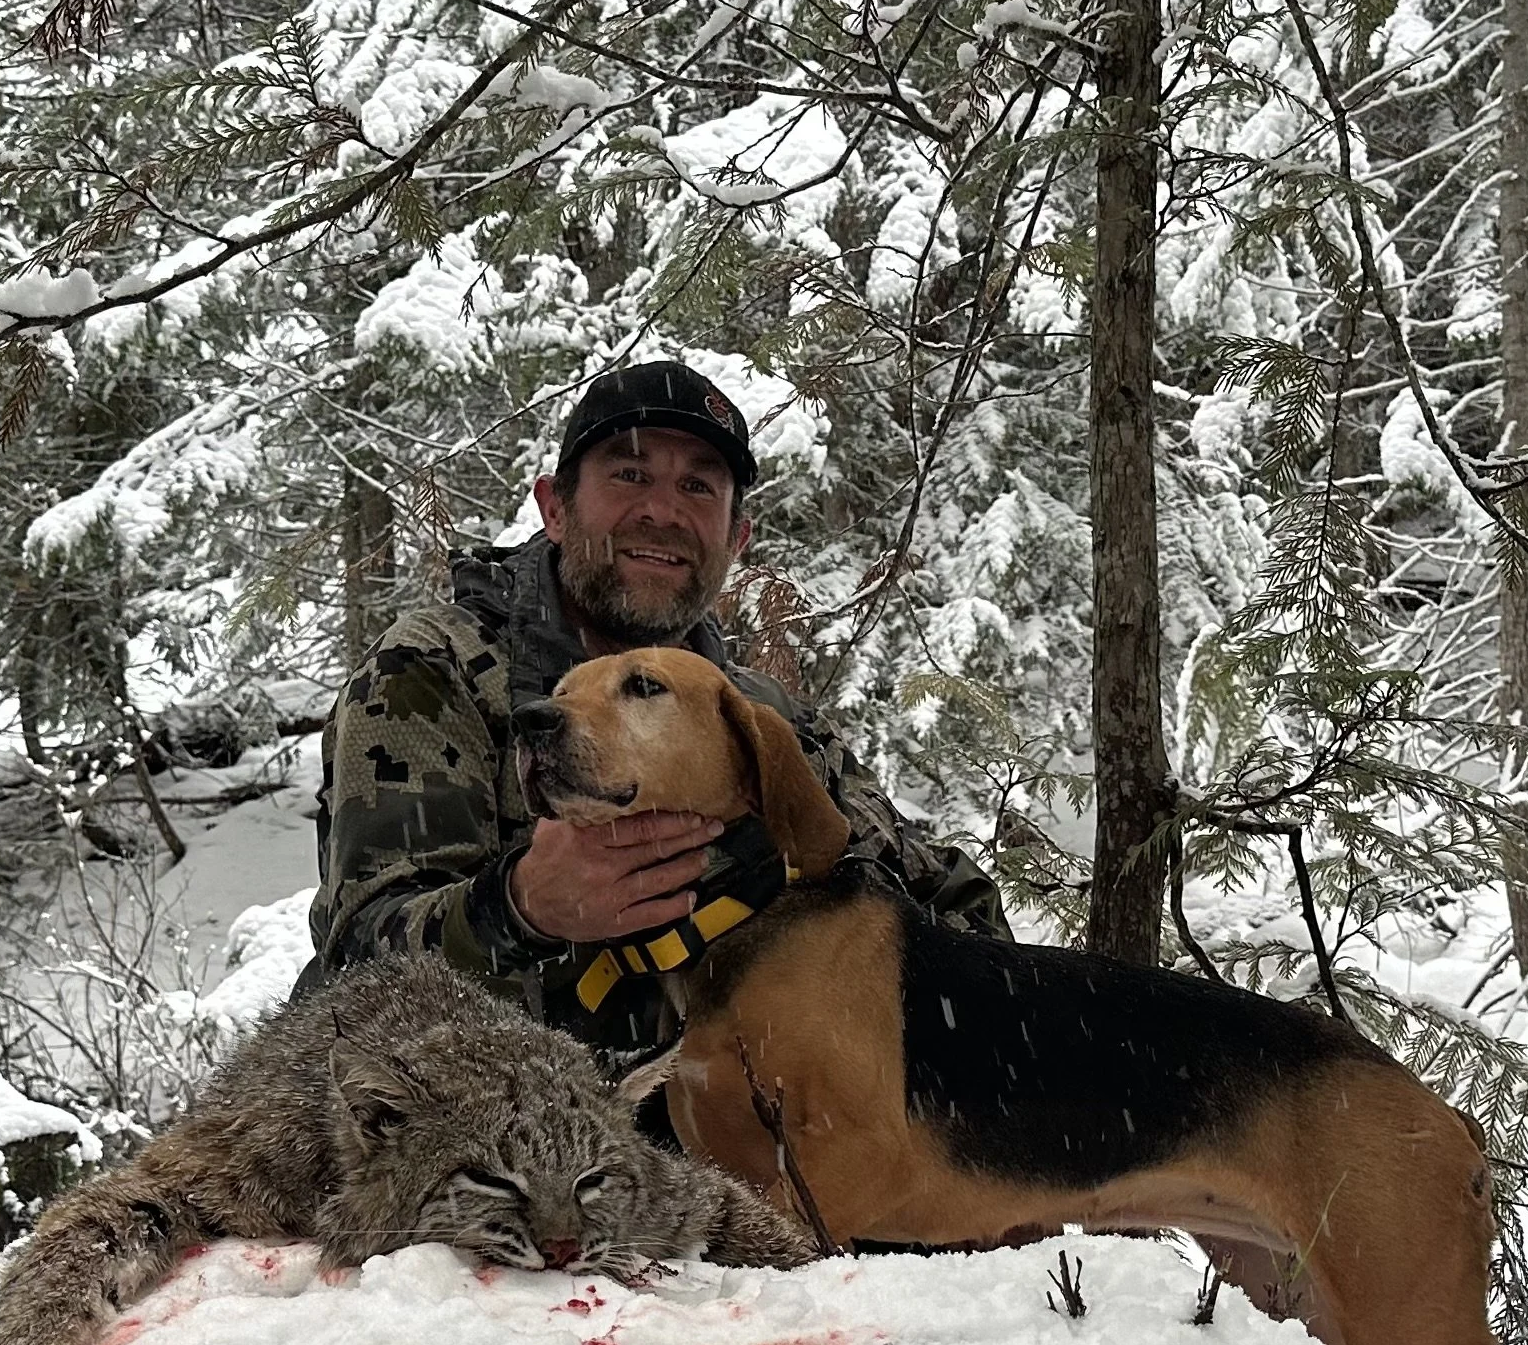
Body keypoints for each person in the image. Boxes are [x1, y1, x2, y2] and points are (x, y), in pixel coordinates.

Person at [303, 359, 1010, 1061]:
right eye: (630, 474)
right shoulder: (435, 669)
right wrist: (517, 910)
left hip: (709, 1135)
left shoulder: (754, 717)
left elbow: (943, 896)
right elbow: (360, 964)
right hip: (476, 1132)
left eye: (699, 487)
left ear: (735, 540)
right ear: (555, 507)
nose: (664, 512)